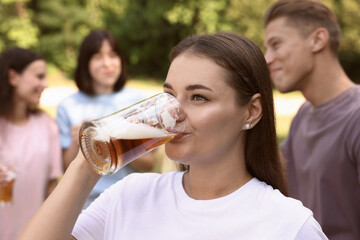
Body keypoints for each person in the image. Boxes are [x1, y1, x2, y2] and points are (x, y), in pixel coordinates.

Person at [19, 32, 328, 240]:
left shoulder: (289, 226)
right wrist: (85, 165)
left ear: (251, 112)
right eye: (168, 95)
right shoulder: (129, 196)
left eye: (198, 98)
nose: (171, 114)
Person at [263, 0, 360, 239]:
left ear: (317, 40)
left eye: (276, 44)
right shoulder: (303, 116)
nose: (267, 59)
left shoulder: (355, 117)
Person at [56, 29, 155, 208]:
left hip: (129, 202)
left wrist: (115, 138)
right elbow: (65, 168)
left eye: (113, 55)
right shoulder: (68, 106)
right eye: (98, 57)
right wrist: (80, 140)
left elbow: (149, 164)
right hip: (85, 204)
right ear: (85, 63)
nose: (107, 63)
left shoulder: (138, 102)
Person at [0, 47, 63, 240]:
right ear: (13, 77)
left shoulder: (47, 126)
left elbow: (52, 187)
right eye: (39, 76)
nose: (45, 84)